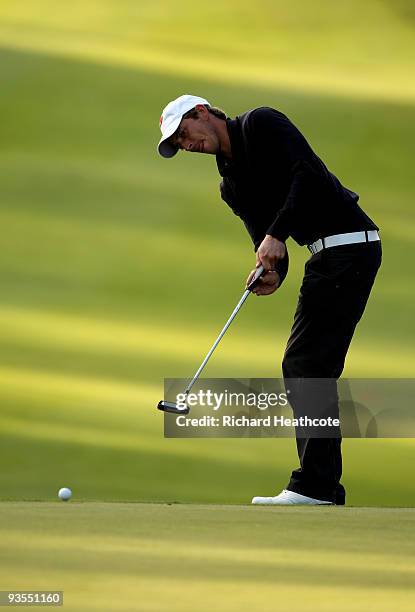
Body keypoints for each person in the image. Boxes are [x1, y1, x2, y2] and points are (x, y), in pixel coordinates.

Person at [157, 94, 382, 505]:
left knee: (306, 363)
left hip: (351, 246)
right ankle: (322, 486)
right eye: (178, 144)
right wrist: (270, 273)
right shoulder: (231, 185)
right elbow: (266, 239)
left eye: (184, 133)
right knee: (309, 364)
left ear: (202, 113)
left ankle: (316, 486)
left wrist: (276, 236)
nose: (186, 144)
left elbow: (307, 174)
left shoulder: (260, 124)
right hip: (327, 256)